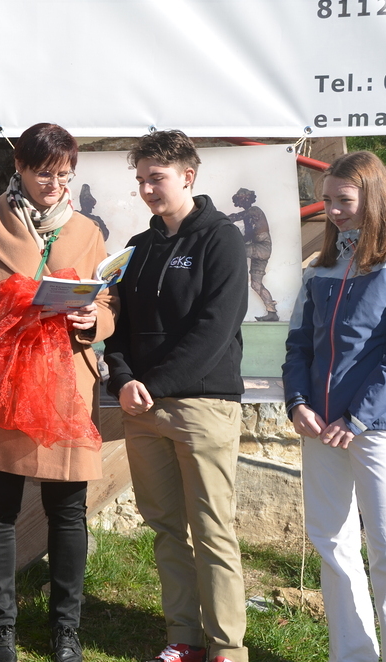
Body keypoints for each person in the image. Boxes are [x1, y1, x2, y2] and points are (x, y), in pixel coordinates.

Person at [0, 123, 117, 662]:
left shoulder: (87, 231)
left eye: (66, 174)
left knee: (68, 509)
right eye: (45, 173)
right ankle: (2, 629)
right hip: (4, 384)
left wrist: (91, 319)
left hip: (65, 386)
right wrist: (13, 311)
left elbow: (107, 304)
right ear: (18, 167)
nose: (56, 185)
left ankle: (66, 630)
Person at [282, 151, 386, 662]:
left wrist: (359, 416)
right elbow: (298, 346)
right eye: (326, 200)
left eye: (344, 200)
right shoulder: (320, 267)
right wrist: (297, 402)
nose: (332, 211)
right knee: (332, 544)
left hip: (376, 427)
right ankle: (352, 655)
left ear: (373, 196)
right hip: (319, 427)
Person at [104, 130, 248, 662]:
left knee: (212, 531)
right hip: (142, 407)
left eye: (156, 178)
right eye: (141, 179)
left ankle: (228, 648)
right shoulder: (138, 248)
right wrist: (123, 380)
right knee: (166, 529)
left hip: (202, 406)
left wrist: (156, 384)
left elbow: (215, 329)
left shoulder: (221, 239)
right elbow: (117, 328)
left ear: (188, 176)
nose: (147, 189)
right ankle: (184, 638)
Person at [228, 187, 279, 321]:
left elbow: (240, 216)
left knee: (237, 250)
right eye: (240, 199)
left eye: (244, 198)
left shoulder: (254, 210)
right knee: (256, 284)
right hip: (258, 249)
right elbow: (248, 234)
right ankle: (272, 312)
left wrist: (227, 219)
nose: (243, 201)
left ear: (249, 198)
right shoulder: (248, 217)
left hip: (262, 247)